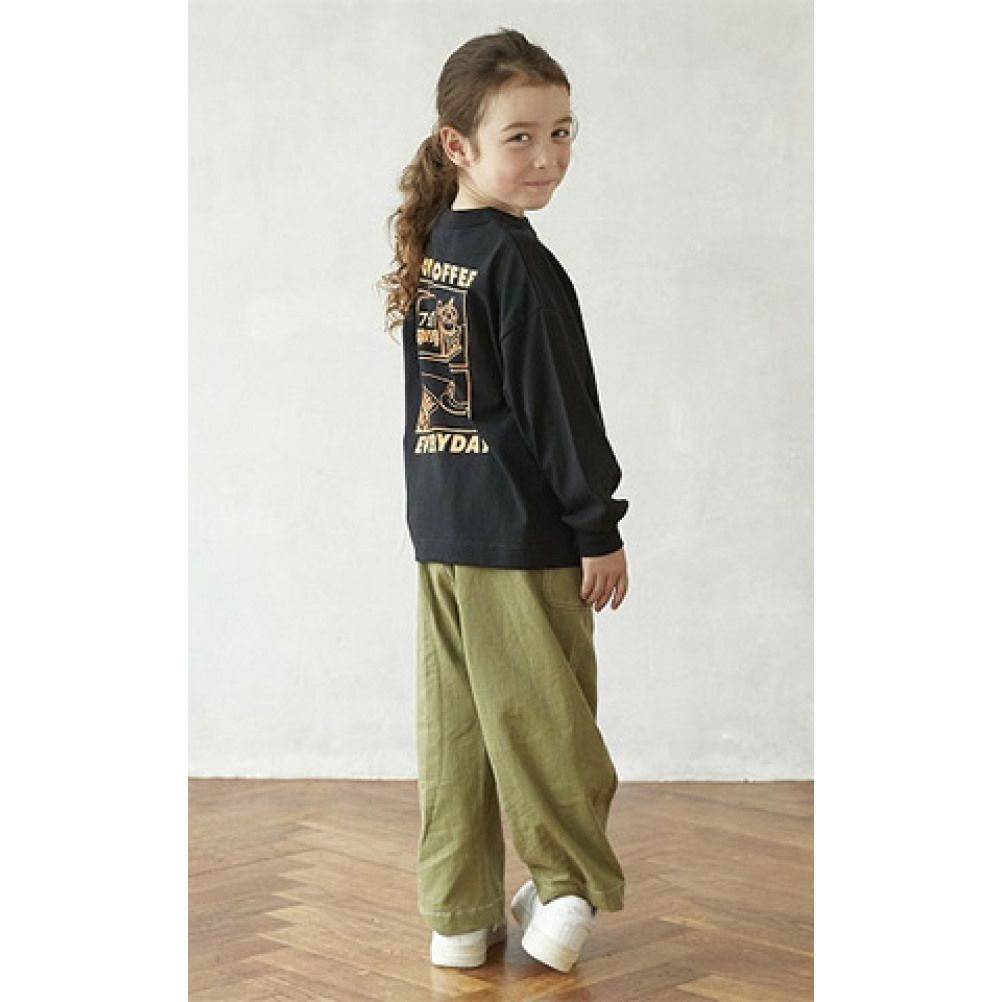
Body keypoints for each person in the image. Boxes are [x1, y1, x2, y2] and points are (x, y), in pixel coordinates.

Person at [378, 27, 630, 974]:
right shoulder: (517, 261)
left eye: (561, 132)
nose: (547, 156)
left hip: (443, 530)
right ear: (458, 145)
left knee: (459, 731)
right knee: (545, 722)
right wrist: (597, 526)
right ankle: (565, 898)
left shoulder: (440, 244)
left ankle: (459, 915)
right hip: (522, 536)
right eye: (519, 136)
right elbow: (558, 411)